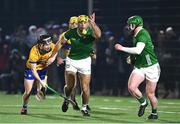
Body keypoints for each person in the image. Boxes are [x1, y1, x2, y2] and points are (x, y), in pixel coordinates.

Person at [48, 13, 101, 116]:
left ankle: (84, 107)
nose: (82, 24)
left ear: (87, 24)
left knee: (85, 88)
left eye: (84, 22)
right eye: (80, 22)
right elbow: (59, 43)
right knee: (71, 85)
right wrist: (53, 56)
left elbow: (98, 35)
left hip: (85, 61)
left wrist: (93, 23)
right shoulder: (70, 33)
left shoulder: (90, 32)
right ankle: (67, 99)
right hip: (71, 61)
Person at [114, 15, 161, 119]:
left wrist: (122, 48)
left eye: (130, 24)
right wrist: (132, 58)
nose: (128, 27)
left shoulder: (142, 34)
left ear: (135, 24)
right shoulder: (136, 34)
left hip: (151, 66)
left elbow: (138, 50)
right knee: (131, 87)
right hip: (140, 66)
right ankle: (143, 103)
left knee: (150, 93)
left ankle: (154, 113)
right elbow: (140, 52)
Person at [20, 34, 56, 114]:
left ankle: (39, 91)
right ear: (40, 45)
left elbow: (56, 50)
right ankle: (24, 107)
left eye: (49, 44)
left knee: (42, 92)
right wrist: (40, 81)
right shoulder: (34, 51)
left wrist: (53, 58)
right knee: (28, 92)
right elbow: (33, 70)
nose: (49, 46)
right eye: (46, 45)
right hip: (31, 70)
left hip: (42, 69)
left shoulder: (52, 46)